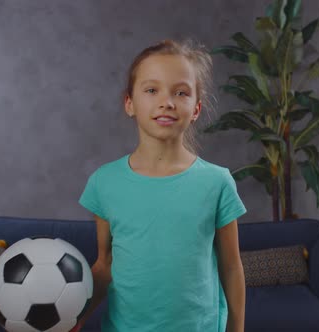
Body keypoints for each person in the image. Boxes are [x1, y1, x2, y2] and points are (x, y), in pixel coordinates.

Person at [73, 39, 247, 332]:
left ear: (195, 109)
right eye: (152, 90)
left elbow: (231, 267)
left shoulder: (217, 182)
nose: (167, 101)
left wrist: (237, 329)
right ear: (130, 103)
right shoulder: (104, 182)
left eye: (181, 92)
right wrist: (75, 318)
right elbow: (105, 265)